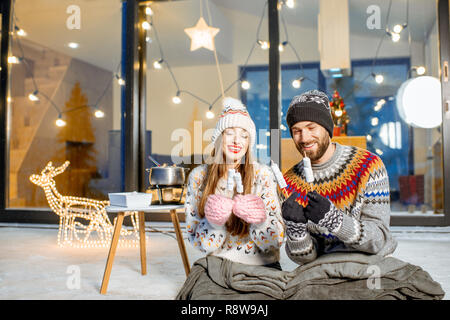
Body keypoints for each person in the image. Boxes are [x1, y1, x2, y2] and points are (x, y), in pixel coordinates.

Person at [282, 89, 398, 265]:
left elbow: (378, 239)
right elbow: (305, 259)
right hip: (321, 268)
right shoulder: (289, 183)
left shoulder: (368, 165)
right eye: (296, 130)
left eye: (311, 128)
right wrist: (296, 230)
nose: (304, 138)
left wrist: (334, 220)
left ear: (327, 128)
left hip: (369, 263)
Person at [183, 96, 284, 270]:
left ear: (249, 143)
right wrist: (213, 223)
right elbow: (197, 242)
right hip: (219, 263)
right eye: (230, 133)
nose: (237, 141)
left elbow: (276, 241)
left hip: (261, 263)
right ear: (219, 138)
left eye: (244, 136)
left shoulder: (263, 175)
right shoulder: (198, 177)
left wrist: (261, 221)